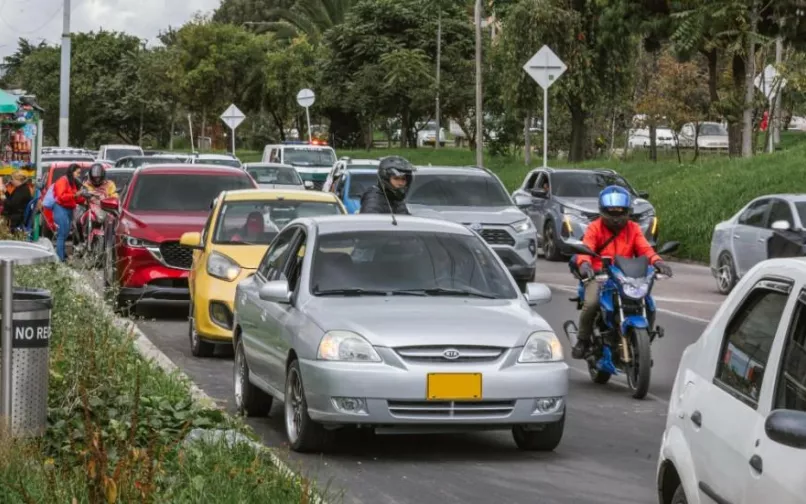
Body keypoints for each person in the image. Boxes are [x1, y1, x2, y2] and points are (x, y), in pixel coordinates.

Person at [571, 185, 673, 359]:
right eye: (611, 212)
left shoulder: (633, 229)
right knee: (592, 303)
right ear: (602, 211)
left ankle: (643, 340)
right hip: (599, 275)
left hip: (625, 277)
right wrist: (585, 265)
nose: (616, 217)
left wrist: (658, 261)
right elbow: (586, 248)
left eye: (620, 212)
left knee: (648, 302)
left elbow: (645, 249)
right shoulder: (595, 228)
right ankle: (582, 339)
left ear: (628, 211)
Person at [52, 164, 88, 261]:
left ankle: (62, 255)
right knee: (62, 234)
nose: (79, 175)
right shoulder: (62, 181)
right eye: (78, 173)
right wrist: (75, 195)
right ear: (72, 172)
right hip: (61, 208)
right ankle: (60, 259)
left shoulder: (71, 182)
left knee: (65, 233)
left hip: (68, 209)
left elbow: (75, 198)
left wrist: (84, 201)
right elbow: (61, 196)